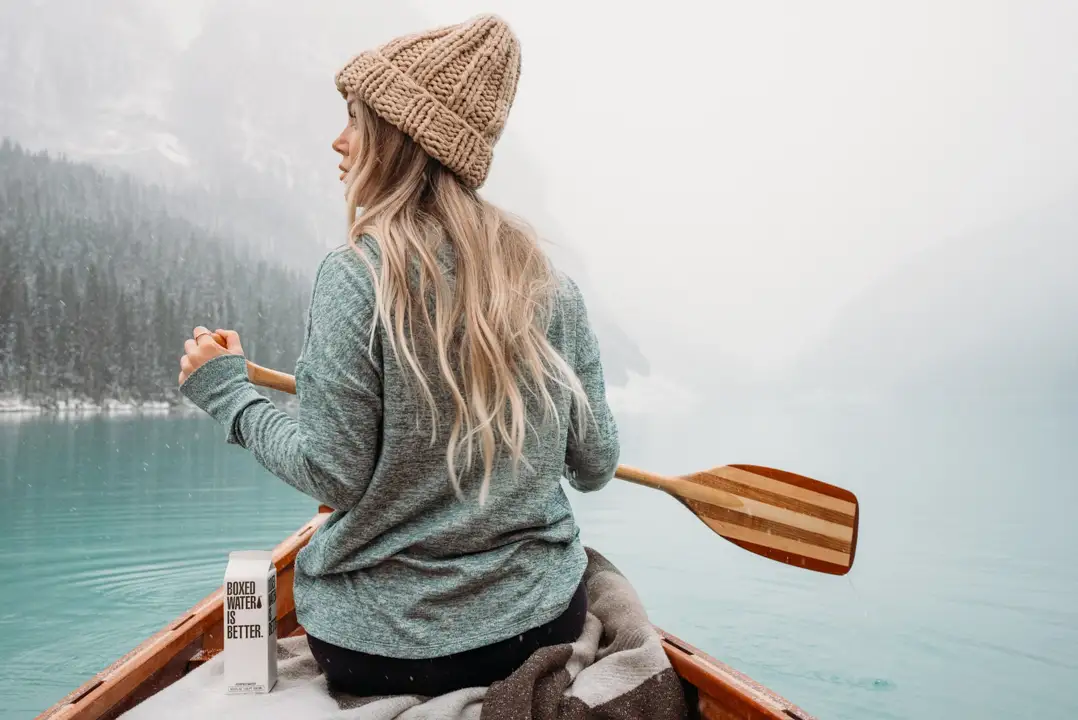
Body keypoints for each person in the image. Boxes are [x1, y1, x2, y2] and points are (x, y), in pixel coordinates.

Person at [177, 14, 619, 698]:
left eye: (356, 119)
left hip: (377, 651)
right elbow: (595, 465)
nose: (339, 139)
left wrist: (228, 395)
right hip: (539, 629)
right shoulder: (549, 285)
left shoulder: (356, 276)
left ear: (400, 138)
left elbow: (334, 474)